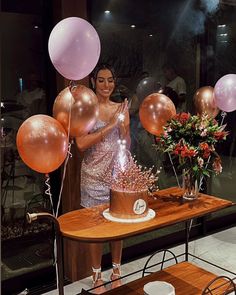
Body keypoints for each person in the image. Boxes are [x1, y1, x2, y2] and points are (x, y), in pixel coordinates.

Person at [75, 64, 130, 294]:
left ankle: (116, 272)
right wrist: (110, 126)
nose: (106, 85)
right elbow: (80, 144)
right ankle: (96, 276)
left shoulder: (121, 108)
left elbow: (127, 143)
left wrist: (125, 127)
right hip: (92, 176)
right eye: (101, 80)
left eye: (110, 80)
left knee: (118, 226)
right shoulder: (86, 110)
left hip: (117, 174)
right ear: (93, 82)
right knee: (96, 230)